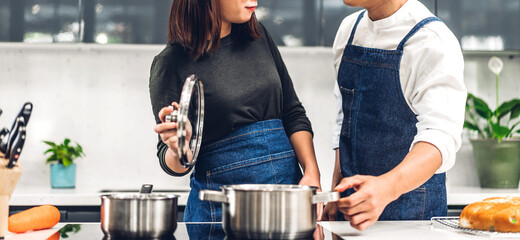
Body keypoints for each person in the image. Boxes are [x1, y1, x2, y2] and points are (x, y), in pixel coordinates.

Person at [149, 0, 321, 222]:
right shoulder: (170, 63)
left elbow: (292, 112)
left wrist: (311, 172)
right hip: (223, 212)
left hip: (287, 202)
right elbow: (171, 161)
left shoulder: (259, 36)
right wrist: (179, 149)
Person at [321, 0, 467, 230]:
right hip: (351, 218)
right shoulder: (348, 30)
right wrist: (335, 190)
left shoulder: (431, 41)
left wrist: (385, 189)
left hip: (412, 220)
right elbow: (345, 118)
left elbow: (440, 138)